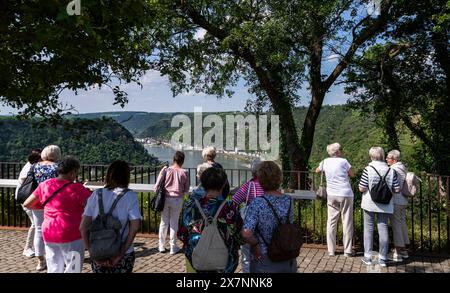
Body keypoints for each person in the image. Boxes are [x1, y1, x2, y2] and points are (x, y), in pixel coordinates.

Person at [23, 156, 91, 273]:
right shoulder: (77, 188)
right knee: (73, 268)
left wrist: (49, 208)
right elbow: (92, 208)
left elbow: (27, 203)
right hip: (72, 233)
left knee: (53, 267)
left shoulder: (45, 184)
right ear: (72, 171)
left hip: (49, 231)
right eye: (76, 172)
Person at [80, 160, 142, 273]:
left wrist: (92, 253)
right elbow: (135, 226)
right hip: (121, 252)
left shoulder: (96, 194)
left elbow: (83, 227)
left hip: (98, 251)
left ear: (108, 175)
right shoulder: (130, 196)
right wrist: (122, 252)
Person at [178, 167, 242, 273]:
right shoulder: (229, 208)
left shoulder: (190, 205)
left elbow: (181, 234)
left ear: (203, 183)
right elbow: (239, 234)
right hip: (225, 261)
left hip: (197, 258)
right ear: (223, 185)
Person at [241, 161, 297, 273]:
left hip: (264, 257)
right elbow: (290, 224)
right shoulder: (288, 200)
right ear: (279, 179)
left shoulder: (257, 203)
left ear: (261, 180)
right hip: (286, 253)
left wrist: (255, 244)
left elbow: (246, 233)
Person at [359, 147, 400, 267]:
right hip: (385, 204)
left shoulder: (368, 169)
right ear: (382, 156)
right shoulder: (391, 171)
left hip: (369, 203)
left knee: (368, 229)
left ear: (371, 156)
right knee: (383, 228)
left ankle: (368, 257)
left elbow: (362, 188)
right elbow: (397, 189)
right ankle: (382, 258)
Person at [315, 143, 355, 257]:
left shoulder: (325, 161)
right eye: (340, 150)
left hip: (331, 194)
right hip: (345, 194)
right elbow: (352, 174)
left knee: (331, 222)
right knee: (346, 222)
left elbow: (317, 170)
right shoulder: (344, 161)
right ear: (337, 152)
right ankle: (347, 251)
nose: (342, 151)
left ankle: (331, 250)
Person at [31, 144, 61, 271]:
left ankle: (40, 260)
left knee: (38, 230)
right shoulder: (57, 167)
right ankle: (55, 257)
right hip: (53, 201)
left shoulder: (35, 166)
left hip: (37, 199)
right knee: (55, 229)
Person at [232, 158, 265, 272]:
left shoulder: (248, 186)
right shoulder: (269, 187)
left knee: (246, 256)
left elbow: (234, 201)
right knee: (262, 253)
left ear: (252, 171)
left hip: (248, 227)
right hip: (264, 226)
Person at [154, 151, 190, 254]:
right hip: (177, 199)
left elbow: (157, 186)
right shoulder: (185, 172)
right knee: (174, 223)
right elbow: (186, 189)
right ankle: (173, 247)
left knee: (164, 222)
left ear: (173, 159)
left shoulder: (166, 170)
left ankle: (161, 246)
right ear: (182, 161)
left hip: (165, 198)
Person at [15, 148, 42, 258]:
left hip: (30, 198)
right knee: (35, 224)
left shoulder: (32, 166)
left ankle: (35, 247)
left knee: (37, 223)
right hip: (27, 198)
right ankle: (27, 248)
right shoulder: (30, 168)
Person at [386, 150, 410, 261]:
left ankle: (397, 252)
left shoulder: (393, 169)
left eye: (388, 157)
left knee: (396, 226)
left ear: (394, 159)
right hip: (403, 200)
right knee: (402, 224)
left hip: (395, 200)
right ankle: (404, 250)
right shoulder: (403, 167)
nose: (386, 159)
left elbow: (392, 185)